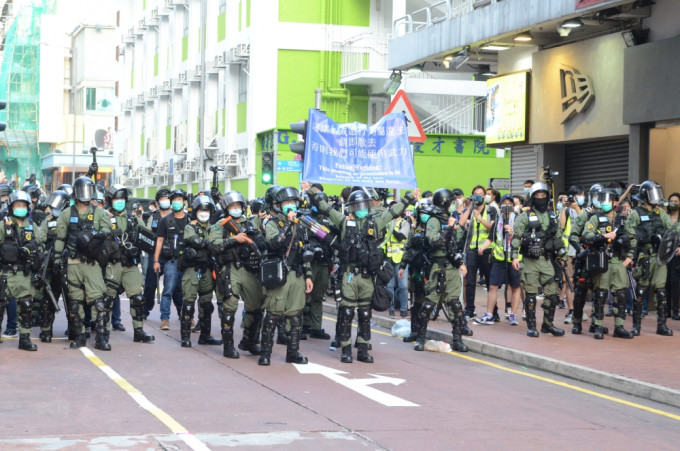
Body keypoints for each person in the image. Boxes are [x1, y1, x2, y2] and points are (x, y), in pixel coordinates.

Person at [306, 183, 417, 363]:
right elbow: (324, 208)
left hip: (367, 277)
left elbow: (392, 212)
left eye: (363, 205)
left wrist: (409, 198)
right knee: (347, 313)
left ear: (368, 205)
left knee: (365, 314)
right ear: (350, 208)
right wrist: (310, 190)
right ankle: (346, 349)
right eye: (356, 206)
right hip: (349, 275)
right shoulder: (343, 222)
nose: (360, 209)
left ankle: (363, 348)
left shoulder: (375, 222)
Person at [53, 177, 113, 349]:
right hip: (72, 263)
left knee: (98, 302)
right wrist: (57, 261)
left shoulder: (100, 212)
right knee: (74, 302)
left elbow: (108, 232)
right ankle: (79, 336)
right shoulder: (66, 213)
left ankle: (101, 337)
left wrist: (94, 233)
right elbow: (60, 238)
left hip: (92, 263)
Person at [209, 190, 268, 358]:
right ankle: (228, 347)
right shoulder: (220, 225)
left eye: (238, 206)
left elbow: (261, 243)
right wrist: (234, 240)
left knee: (257, 306)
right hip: (230, 269)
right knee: (230, 307)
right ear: (227, 208)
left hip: (249, 269)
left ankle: (249, 341)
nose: (236, 209)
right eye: (232, 206)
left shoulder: (250, 223)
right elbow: (213, 245)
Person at [259, 186, 314, 366]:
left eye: (293, 202)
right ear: (279, 205)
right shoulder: (272, 223)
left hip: (297, 275)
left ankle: (293, 352)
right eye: (287, 203)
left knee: (295, 316)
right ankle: (265, 352)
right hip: (279, 274)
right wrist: (290, 223)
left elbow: (305, 252)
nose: (290, 206)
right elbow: (274, 243)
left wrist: (308, 276)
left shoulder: (302, 225)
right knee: (273, 314)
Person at [511, 182, 565, 338]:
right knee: (531, 295)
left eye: (543, 196)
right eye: (537, 196)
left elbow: (558, 237)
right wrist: (514, 256)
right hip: (531, 261)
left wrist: (562, 256)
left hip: (548, 260)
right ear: (532, 198)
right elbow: (516, 237)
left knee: (552, 294)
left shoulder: (552, 216)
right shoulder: (525, 216)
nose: (541, 198)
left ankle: (548, 325)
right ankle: (531, 326)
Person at [581, 188, 636, 339]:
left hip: (619, 261)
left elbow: (632, 238)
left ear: (615, 202)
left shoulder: (622, 219)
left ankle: (619, 327)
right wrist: (604, 236)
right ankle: (598, 326)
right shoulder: (595, 219)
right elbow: (586, 235)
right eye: (603, 199)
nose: (605, 203)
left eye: (608, 200)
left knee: (620, 294)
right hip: (602, 260)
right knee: (600, 294)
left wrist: (629, 257)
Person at [104, 185, 155, 344]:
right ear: (110, 201)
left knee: (138, 298)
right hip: (112, 264)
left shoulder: (133, 219)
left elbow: (148, 238)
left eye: (121, 199)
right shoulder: (104, 217)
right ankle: (103, 333)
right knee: (106, 300)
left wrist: (137, 238)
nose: (118, 202)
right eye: (115, 199)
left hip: (130, 264)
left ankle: (138, 331)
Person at [420, 188, 470, 351]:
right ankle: (421, 338)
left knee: (455, 305)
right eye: (450, 203)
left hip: (452, 266)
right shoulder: (433, 221)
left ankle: (457, 340)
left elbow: (456, 241)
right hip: (437, 267)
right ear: (445, 204)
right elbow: (434, 242)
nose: (451, 205)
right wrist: (449, 228)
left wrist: (458, 228)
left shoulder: (450, 219)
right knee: (429, 304)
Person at [628, 181, 678, 336]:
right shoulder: (635, 213)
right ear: (645, 196)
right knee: (641, 290)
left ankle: (661, 325)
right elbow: (630, 235)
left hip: (660, 257)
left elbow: (673, 230)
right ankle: (636, 325)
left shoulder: (661, 213)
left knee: (661, 291)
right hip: (644, 256)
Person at [0, 191, 45, 350]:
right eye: (17, 205)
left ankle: (24, 339)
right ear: (12, 207)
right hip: (5, 273)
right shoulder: (3, 225)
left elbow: (41, 247)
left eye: (23, 205)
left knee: (26, 306)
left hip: (25, 275)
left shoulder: (33, 227)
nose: (21, 208)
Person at [179, 195, 221, 348]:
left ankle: (205, 335)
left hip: (208, 269)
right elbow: (193, 240)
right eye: (201, 210)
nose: (204, 212)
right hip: (192, 269)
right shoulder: (191, 226)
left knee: (207, 304)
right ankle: (185, 337)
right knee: (189, 303)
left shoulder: (215, 227)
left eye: (207, 210)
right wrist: (209, 244)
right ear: (196, 211)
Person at [475, 195, 522, 326]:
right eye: (503, 204)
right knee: (492, 285)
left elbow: (524, 238)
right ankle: (489, 314)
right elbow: (492, 238)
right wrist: (483, 247)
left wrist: (512, 232)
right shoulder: (497, 220)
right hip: (499, 259)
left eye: (509, 204)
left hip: (514, 258)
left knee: (515, 287)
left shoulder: (518, 220)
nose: (506, 206)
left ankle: (512, 314)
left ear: (513, 206)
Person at [568, 183, 604, 335]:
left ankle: (596, 323)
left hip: (602, 258)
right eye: (596, 196)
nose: (599, 199)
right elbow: (573, 236)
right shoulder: (586, 214)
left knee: (600, 293)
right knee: (580, 293)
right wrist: (580, 251)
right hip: (586, 258)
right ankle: (576, 323)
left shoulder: (609, 216)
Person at [35, 190, 70, 343]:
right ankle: (46, 330)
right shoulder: (48, 221)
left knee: (72, 300)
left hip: (69, 266)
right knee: (48, 300)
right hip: (51, 266)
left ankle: (75, 329)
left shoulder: (71, 219)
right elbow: (39, 239)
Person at [301, 190, 335, 338]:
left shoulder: (329, 220)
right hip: (310, 262)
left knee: (318, 296)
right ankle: (303, 325)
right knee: (305, 295)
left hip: (324, 262)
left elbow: (334, 241)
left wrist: (334, 260)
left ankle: (316, 327)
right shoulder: (306, 219)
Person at [153, 189, 188, 331]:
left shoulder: (190, 219)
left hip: (187, 262)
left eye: (180, 199)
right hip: (171, 261)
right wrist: (156, 260)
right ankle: (165, 319)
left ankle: (187, 317)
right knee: (168, 291)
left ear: (184, 202)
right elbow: (159, 240)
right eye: (174, 200)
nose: (177, 202)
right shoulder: (165, 221)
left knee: (186, 292)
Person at [400, 198, 433, 342]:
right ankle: (416, 332)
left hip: (432, 269)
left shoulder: (436, 227)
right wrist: (402, 266)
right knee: (417, 303)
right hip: (417, 269)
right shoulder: (415, 229)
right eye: (422, 213)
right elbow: (407, 248)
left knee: (430, 302)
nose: (424, 215)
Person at [461, 185, 497, 319]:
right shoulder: (471, 210)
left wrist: (480, 218)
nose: (477, 197)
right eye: (474, 194)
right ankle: (469, 309)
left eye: (480, 194)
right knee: (470, 281)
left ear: (484, 196)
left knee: (490, 282)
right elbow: (461, 223)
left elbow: (492, 228)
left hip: (487, 250)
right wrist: (470, 208)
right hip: (472, 250)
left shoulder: (491, 210)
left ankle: (494, 312)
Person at [142, 188, 174, 319]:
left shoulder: (176, 215)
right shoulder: (153, 216)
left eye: (167, 198)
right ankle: (145, 310)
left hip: (172, 254)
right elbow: (147, 233)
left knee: (175, 286)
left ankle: (184, 313)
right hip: (156, 254)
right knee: (150, 284)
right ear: (157, 202)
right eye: (162, 199)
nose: (165, 201)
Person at [383, 209, 412, 318]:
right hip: (388, 257)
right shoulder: (387, 222)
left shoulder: (404, 223)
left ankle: (404, 310)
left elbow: (401, 236)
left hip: (401, 260)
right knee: (389, 285)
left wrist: (390, 229)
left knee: (403, 286)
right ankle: (391, 310)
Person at [665, 193, 680, 321]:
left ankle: (675, 310)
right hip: (666, 253)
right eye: (671, 201)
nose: (674, 203)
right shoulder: (665, 217)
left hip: (678, 254)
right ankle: (666, 311)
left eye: (676, 201)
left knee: (675, 282)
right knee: (666, 282)